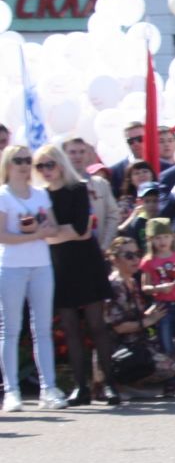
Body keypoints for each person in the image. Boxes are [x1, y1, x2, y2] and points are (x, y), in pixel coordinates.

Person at [38, 145, 118, 406]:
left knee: (97, 325)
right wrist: (57, 232)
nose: (46, 171)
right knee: (70, 328)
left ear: (60, 164)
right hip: (59, 264)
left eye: (50, 164)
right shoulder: (40, 196)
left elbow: (82, 228)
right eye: (40, 166)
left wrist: (51, 232)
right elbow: (54, 232)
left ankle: (110, 385)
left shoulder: (78, 188)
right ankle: (80, 386)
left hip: (86, 261)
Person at [1, 145, 64, 411]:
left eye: (28, 160)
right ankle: (11, 390)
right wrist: (33, 235)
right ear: (8, 164)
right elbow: (2, 235)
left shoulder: (40, 195)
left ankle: (48, 388)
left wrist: (43, 229)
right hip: (12, 266)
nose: (25, 165)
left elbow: (54, 227)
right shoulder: (3, 195)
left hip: (40, 264)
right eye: (19, 160)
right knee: (11, 329)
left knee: (43, 329)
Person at [103, 237, 175, 397]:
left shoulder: (132, 282)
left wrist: (149, 313)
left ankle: (132, 386)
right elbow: (118, 327)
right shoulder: (114, 286)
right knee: (168, 366)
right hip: (119, 350)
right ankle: (120, 386)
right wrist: (147, 321)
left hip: (136, 345)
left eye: (137, 254)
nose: (136, 259)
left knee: (173, 358)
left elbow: (134, 315)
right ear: (114, 259)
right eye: (129, 256)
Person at [139, 217, 175, 398]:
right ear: (151, 241)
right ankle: (170, 382)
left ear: (172, 237)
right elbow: (145, 287)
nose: (162, 241)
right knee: (166, 346)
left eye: (165, 236)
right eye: (157, 238)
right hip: (162, 306)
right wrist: (159, 288)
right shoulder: (148, 261)